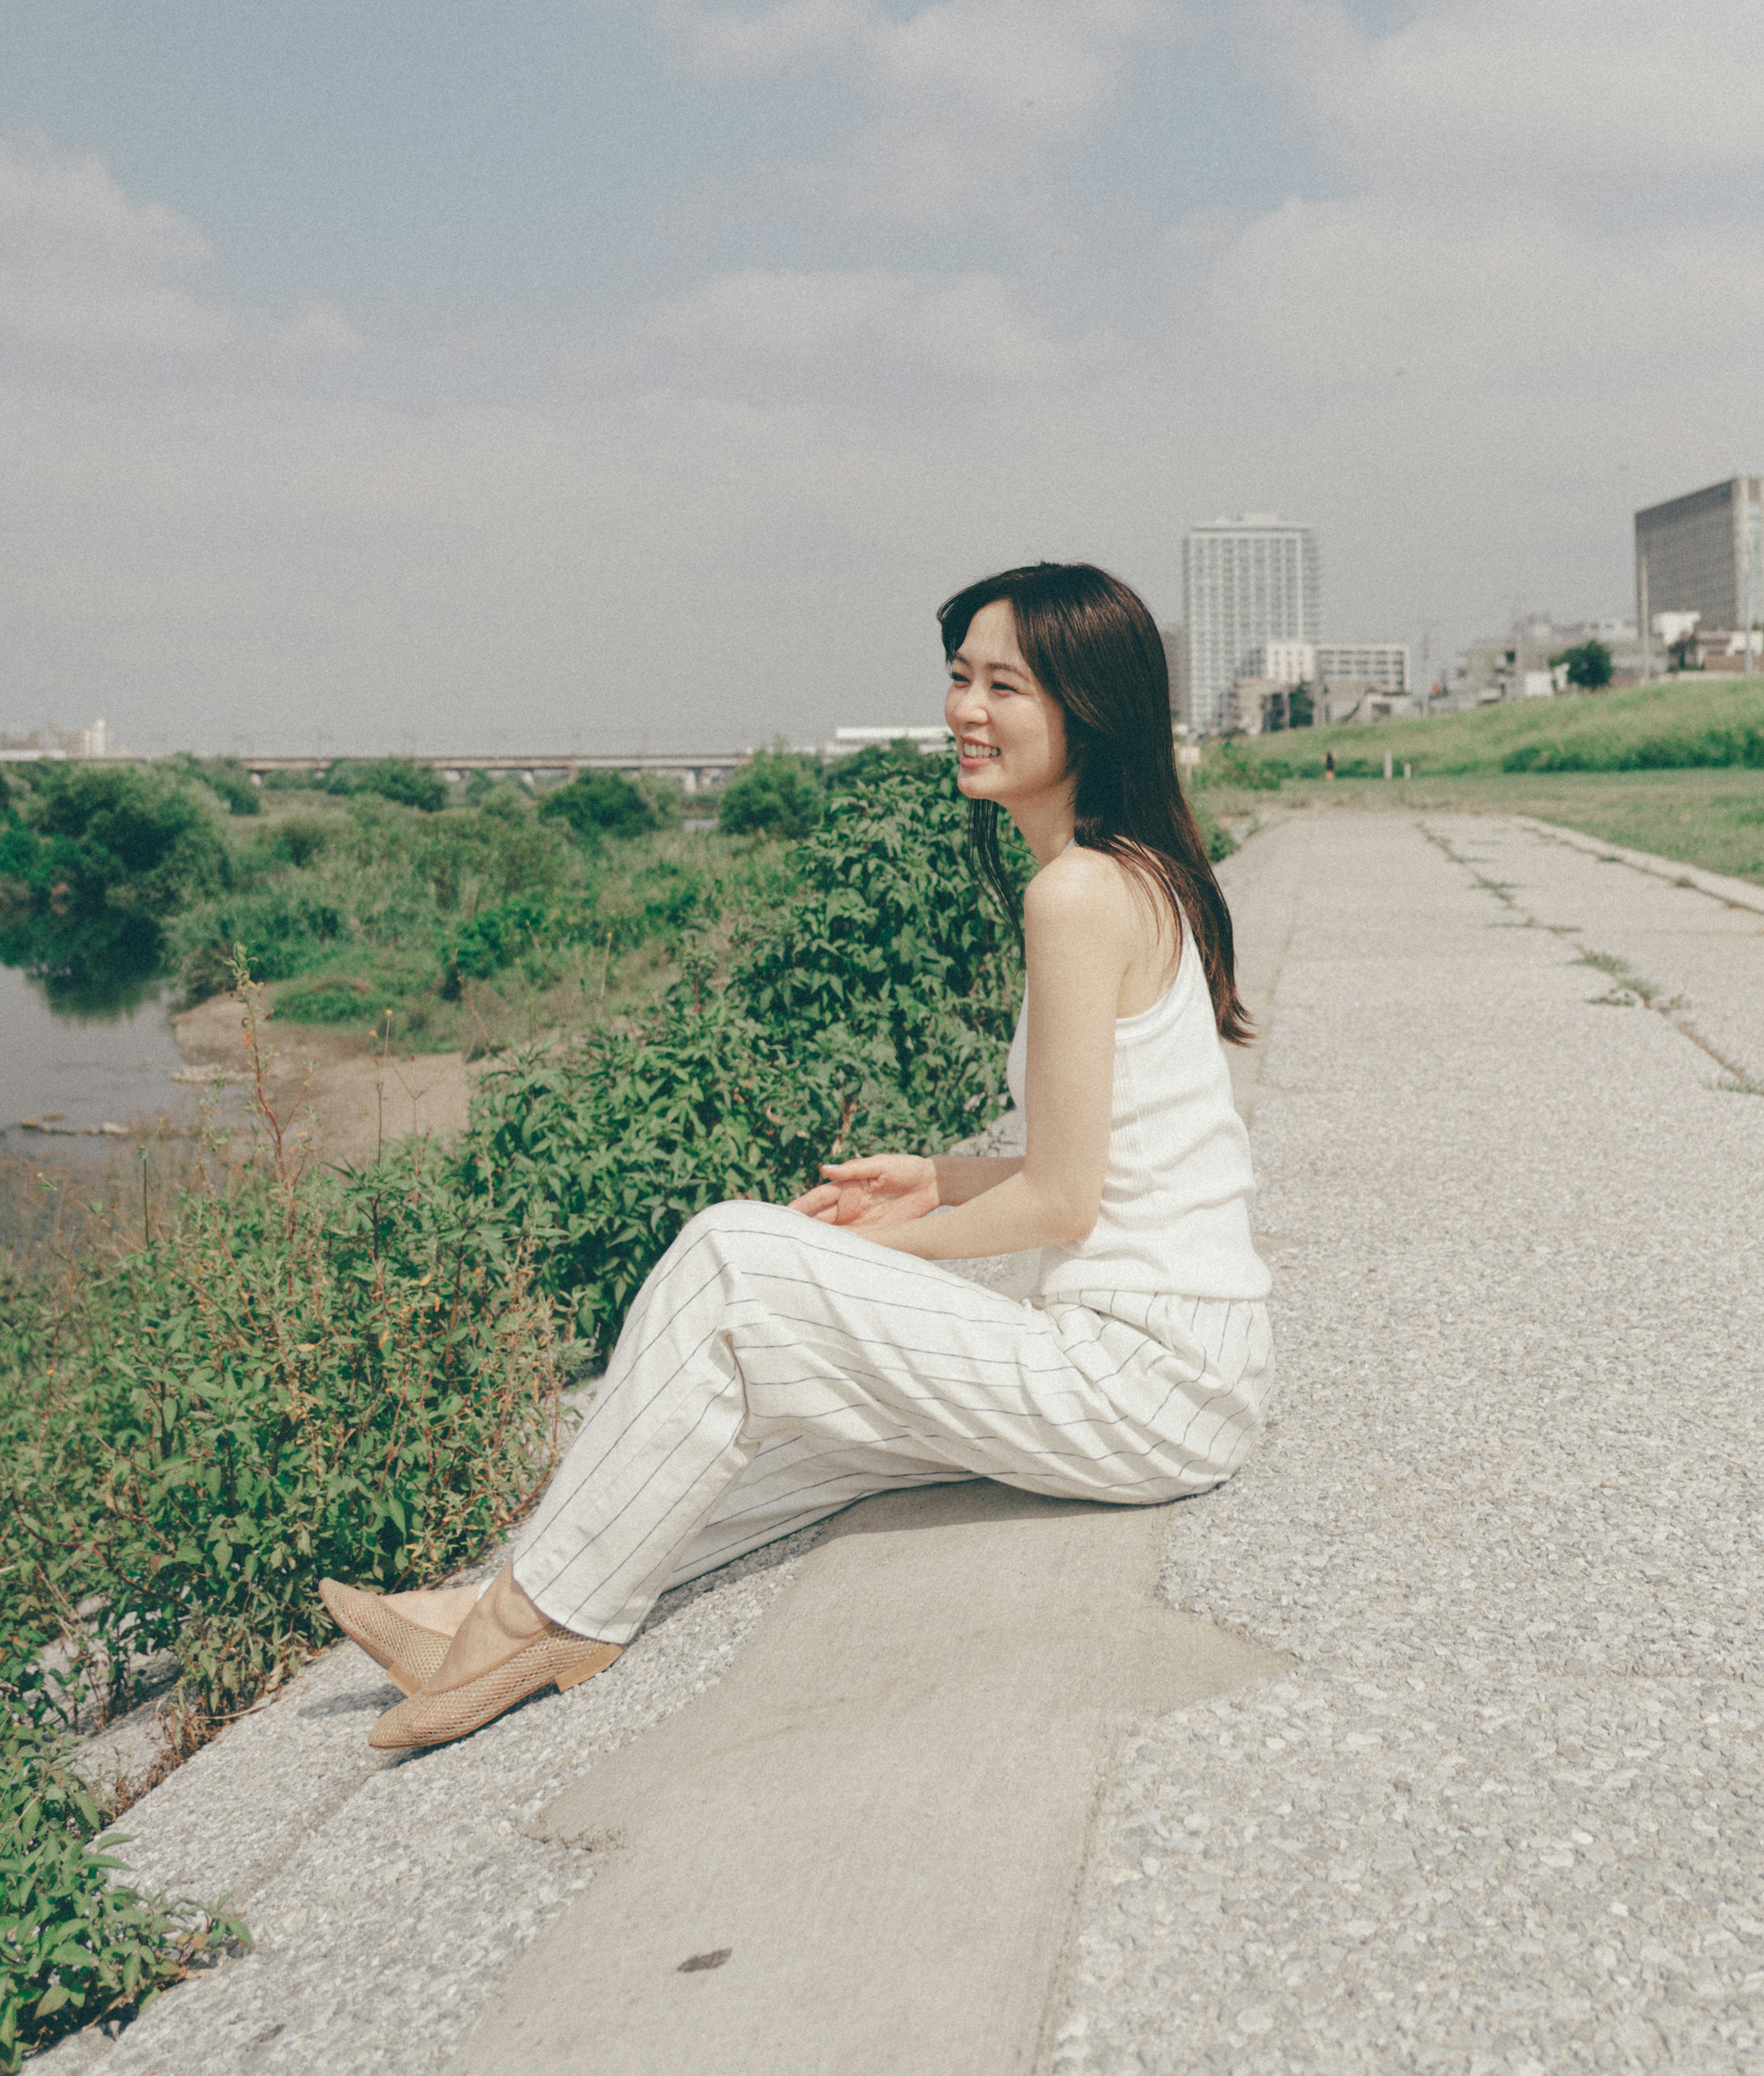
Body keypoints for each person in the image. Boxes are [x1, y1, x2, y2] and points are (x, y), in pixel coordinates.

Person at [322, 561, 1274, 1752]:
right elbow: (1119, 1158)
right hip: (1190, 1371)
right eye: (958, 679)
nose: (966, 712)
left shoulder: (1077, 895)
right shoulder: (1130, 872)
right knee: (796, 1421)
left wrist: (895, 1244)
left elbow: (1066, 1198)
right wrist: (935, 1178)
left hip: (1146, 1378)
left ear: (1090, 708)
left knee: (734, 1260)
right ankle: (497, 1603)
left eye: (1005, 687)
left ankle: (527, 1624)